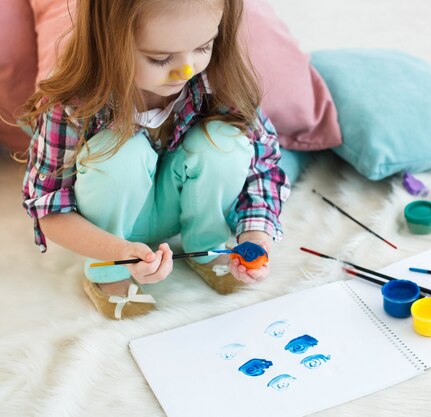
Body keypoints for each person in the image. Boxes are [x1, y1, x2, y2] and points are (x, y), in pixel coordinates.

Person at [20, 0, 290, 320]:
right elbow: (49, 209)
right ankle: (108, 272)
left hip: (180, 205)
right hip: (109, 232)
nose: (187, 69)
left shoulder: (214, 82)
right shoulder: (72, 107)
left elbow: (263, 167)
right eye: (160, 58)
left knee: (226, 141)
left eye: (204, 46)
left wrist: (255, 236)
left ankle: (204, 247)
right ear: (107, 42)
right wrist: (117, 252)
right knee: (120, 153)